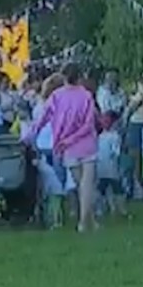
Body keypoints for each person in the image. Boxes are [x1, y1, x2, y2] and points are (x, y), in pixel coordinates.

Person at [26, 64, 100, 233]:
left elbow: (42, 119)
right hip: (86, 144)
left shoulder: (56, 96)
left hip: (67, 146)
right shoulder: (86, 96)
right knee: (86, 185)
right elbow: (88, 124)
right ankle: (86, 221)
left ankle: (86, 222)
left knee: (81, 184)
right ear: (79, 77)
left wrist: (29, 135)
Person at [94, 113, 129, 219]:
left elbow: (115, 152)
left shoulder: (113, 136)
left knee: (114, 188)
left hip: (109, 166)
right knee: (105, 188)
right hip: (103, 166)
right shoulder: (101, 136)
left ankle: (119, 209)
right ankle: (105, 208)